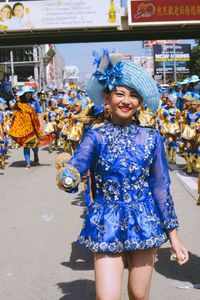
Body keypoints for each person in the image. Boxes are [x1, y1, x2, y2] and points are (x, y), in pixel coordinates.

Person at [56, 51, 189, 300]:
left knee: (139, 295)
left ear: (140, 102)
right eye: (120, 93)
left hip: (145, 221)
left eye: (134, 95)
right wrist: (70, 173)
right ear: (107, 97)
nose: (127, 100)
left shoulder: (152, 138)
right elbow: (79, 162)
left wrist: (174, 237)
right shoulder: (95, 136)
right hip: (106, 221)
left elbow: (160, 187)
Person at [9, 86, 55, 169]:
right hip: (23, 128)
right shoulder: (19, 104)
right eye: (26, 93)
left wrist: (41, 126)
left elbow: (39, 114)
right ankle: (28, 163)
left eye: (29, 93)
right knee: (26, 145)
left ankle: (36, 154)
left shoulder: (35, 103)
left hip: (34, 127)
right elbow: (16, 114)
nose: (28, 95)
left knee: (34, 145)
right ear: (24, 94)